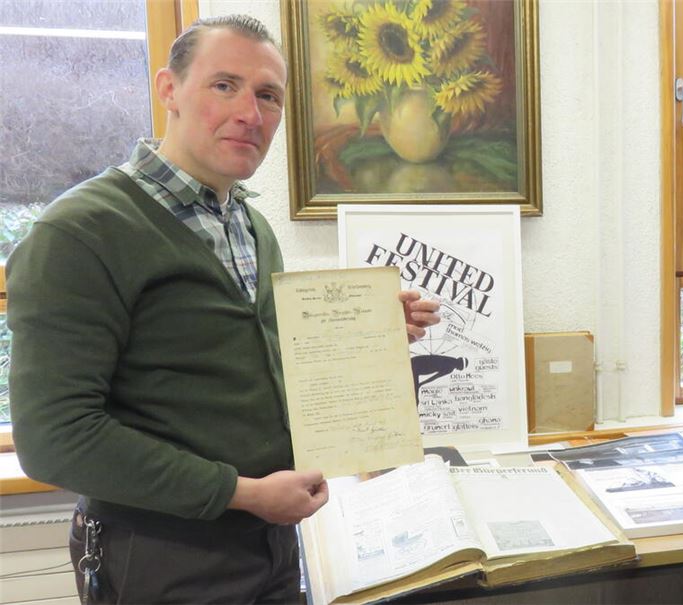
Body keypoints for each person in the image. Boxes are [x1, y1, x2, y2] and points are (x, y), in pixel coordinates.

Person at [6, 15, 439, 604]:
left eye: (268, 95)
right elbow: (56, 438)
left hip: (271, 542)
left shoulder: (251, 224)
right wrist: (244, 493)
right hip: (160, 555)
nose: (250, 113)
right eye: (224, 85)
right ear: (168, 90)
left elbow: (249, 364)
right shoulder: (80, 232)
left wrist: (366, 337)